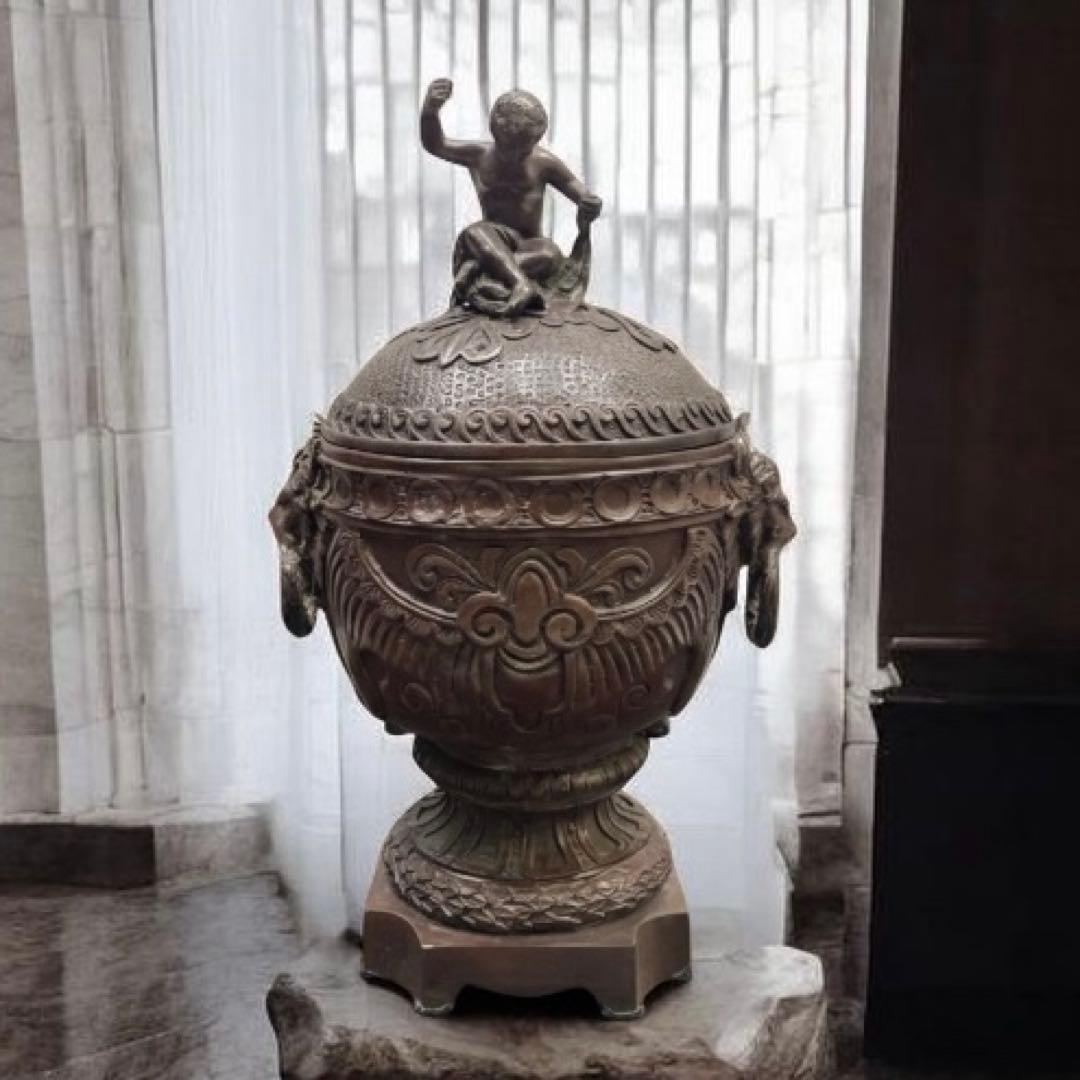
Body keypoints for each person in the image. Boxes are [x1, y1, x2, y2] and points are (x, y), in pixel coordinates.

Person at [420, 77, 602, 316]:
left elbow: (575, 187)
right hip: (492, 236)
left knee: (550, 255)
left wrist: (589, 202)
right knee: (474, 232)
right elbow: (437, 144)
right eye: (512, 148)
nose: (518, 154)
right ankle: (520, 283)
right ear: (497, 134)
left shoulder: (542, 162)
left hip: (530, 244)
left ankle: (484, 271)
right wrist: (430, 111)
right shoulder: (478, 155)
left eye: (525, 148)